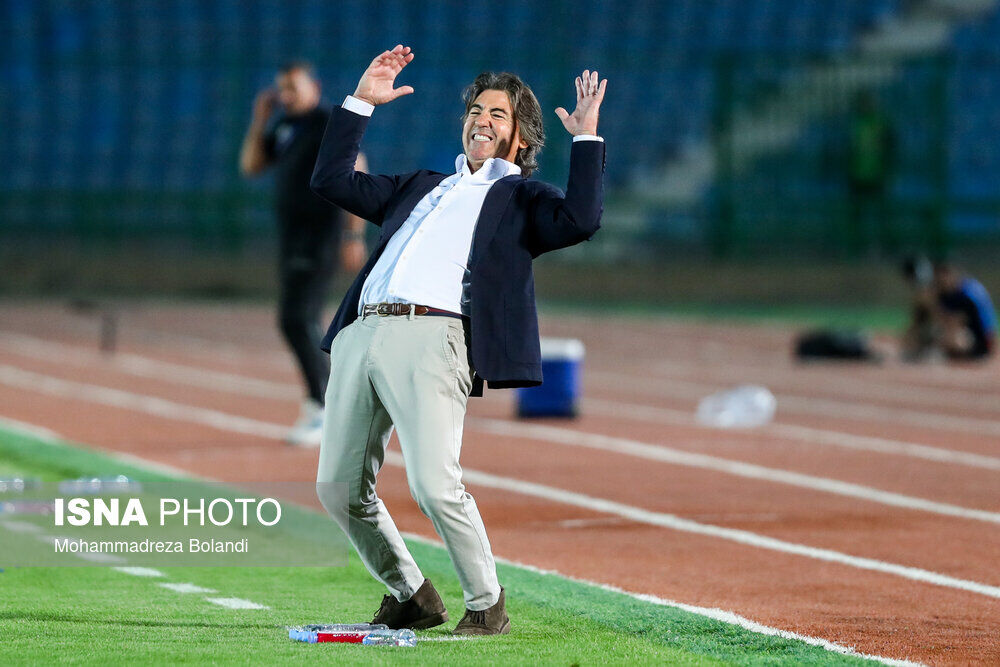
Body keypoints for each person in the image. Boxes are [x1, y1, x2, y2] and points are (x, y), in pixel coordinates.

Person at [310, 45, 606, 636]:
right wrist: (360, 103)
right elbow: (332, 180)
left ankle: (486, 603)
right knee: (337, 488)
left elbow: (581, 220)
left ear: (521, 136)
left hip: (434, 336)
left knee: (434, 484)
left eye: (498, 114)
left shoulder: (523, 198)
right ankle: (411, 594)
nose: (482, 120)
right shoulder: (421, 185)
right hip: (361, 332)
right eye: (476, 110)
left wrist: (587, 140)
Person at [239, 61, 368, 446]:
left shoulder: (325, 122)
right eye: (282, 89)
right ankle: (329, 407)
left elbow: (357, 165)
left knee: (297, 319)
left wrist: (353, 235)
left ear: (315, 86)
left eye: (293, 87)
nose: (286, 95)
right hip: (292, 237)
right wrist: (260, 119)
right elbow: (251, 166)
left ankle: (324, 407)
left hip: (320, 235)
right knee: (300, 319)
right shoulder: (284, 125)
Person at [846, 91, 896, 257]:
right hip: (857, 174)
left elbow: (891, 147)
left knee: (882, 214)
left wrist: (888, 170)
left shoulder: (881, 122)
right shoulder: (856, 123)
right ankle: (856, 246)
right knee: (857, 214)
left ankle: (886, 245)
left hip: (877, 174)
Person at [933, 262, 996, 360]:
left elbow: (955, 321)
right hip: (976, 336)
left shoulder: (966, 294)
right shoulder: (953, 292)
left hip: (981, 340)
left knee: (949, 334)